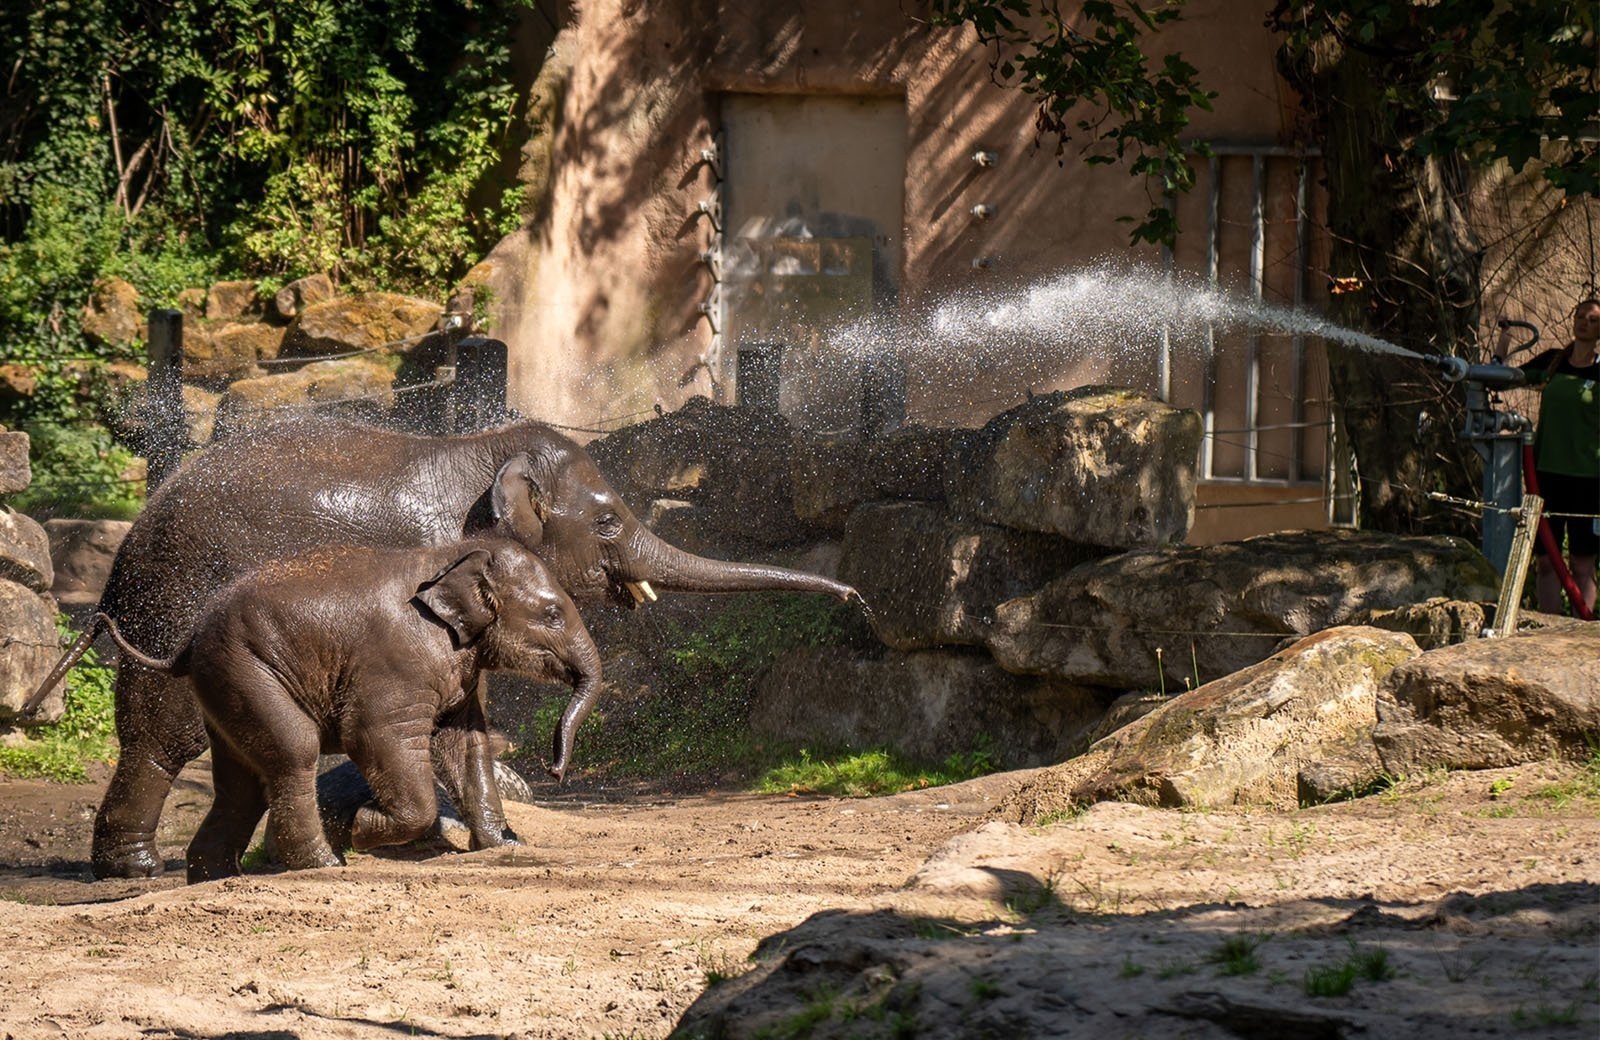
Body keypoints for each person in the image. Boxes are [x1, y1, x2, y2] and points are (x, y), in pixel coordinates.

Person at [1504, 298, 1599, 616]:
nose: (1584, 322)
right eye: (1580, 316)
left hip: (1589, 480)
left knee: (1582, 564)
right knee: (1546, 562)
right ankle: (1548, 628)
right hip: (1546, 476)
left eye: (1593, 319)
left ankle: (1583, 635)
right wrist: (1504, 341)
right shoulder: (1553, 362)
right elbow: (1504, 378)